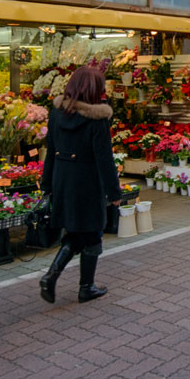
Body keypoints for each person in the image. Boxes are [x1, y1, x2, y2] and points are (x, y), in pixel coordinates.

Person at [39, 65, 122, 304]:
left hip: (63, 179)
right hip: (87, 181)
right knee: (93, 232)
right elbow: (104, 158)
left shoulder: (56, 113)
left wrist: (47, 185)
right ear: (94, 90)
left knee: (76, 231)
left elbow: (51, 151)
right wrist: (114, 192)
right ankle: (85, 286)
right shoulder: (97, 119)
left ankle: (52, 276)